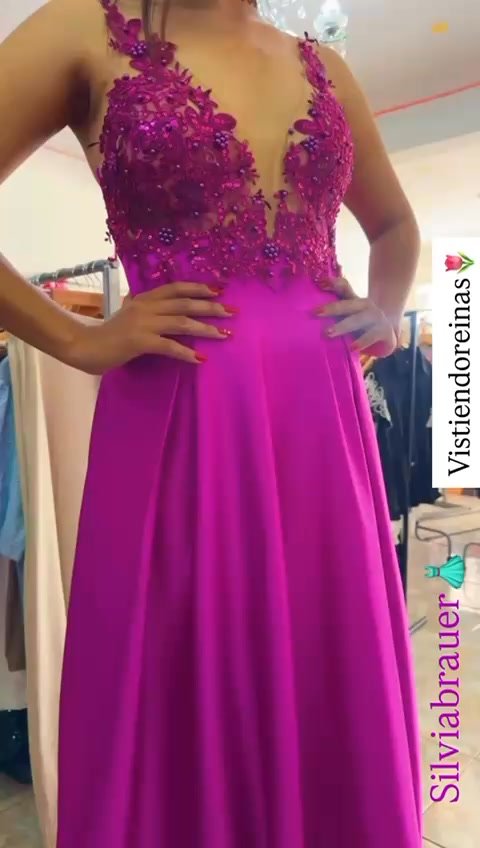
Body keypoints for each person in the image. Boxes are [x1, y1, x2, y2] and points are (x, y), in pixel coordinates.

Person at [0, 1, 422, 845]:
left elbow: (395, 225)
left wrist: (384, 308)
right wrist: (77, 340)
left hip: (322, 428)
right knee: (178, 673)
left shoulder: (325, 68)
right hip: (182, 415)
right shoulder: (82, 30)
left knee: (324, 661)